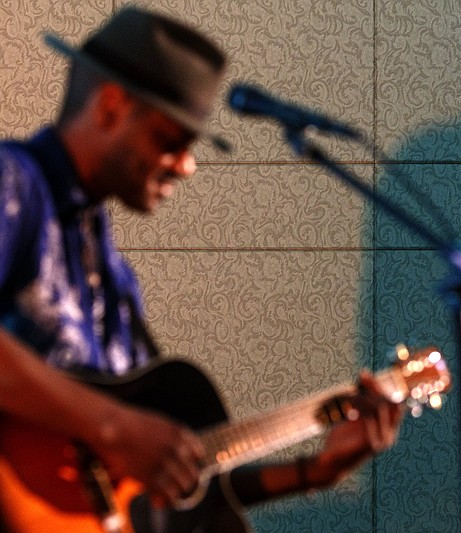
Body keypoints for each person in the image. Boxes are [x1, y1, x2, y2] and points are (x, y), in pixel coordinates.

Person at [0, 6, 403, 531]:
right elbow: (119, 434)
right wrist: (112, 426)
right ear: (111, 107)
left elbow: (169, 481)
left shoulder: (110, 274)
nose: (187, 165)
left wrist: (315, 471)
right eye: (172, 140)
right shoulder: (15, 184)